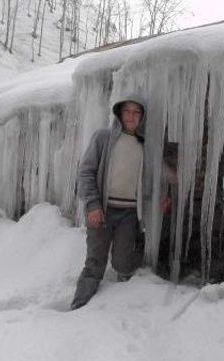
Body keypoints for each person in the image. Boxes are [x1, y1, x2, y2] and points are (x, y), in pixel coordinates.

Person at [70, 93, 148, 310]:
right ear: (119, 113)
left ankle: (120, 307)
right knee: (95, 263)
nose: (131, 116)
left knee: (123, 263)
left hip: (130, 214)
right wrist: (93, 205)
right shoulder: (103, 138)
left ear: (142, 117)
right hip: (103, 210)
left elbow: (152, 179)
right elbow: (86, 172)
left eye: (136, 112)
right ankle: (78, 307)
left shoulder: (143, 144)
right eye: (127, 111)